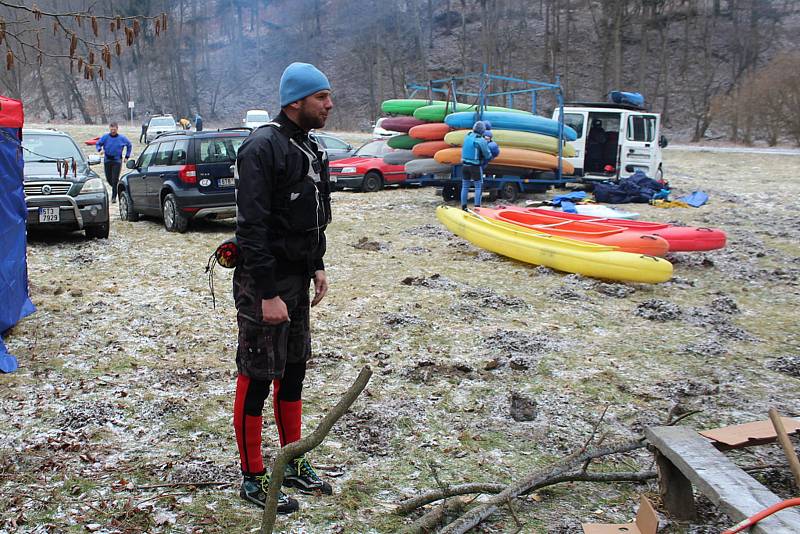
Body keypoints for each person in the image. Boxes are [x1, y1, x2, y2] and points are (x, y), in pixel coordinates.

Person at [233, 62, 334, 514]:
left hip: (297, 276)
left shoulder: (310, 147)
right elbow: (251, 227)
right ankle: (252, 476)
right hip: (264, 281)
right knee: (257, 375)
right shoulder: (261, 148)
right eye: (321, 97)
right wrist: (268, 292)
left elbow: (314, 213)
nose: (329, 105)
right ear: (296, 101)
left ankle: (291, 460)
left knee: (294, 370)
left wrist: (317, 265)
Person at [95, 122, 132, 203]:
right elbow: (98, 143)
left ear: (117, 129)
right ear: (109, 129)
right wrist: (99, 149)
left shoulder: (122, 138)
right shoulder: (105, 137)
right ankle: (120, 188)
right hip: (107, 160)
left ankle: (114, 197)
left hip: (117, 160)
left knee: (115, 179)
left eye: (114, 129)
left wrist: (127, 156)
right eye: (111, 129)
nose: (113, 131)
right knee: (109, 179)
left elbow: (129, 145)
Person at [460, 120, 491, 210]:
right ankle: (477, 207)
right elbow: (487, 154)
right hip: (475, 166)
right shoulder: (480, 140)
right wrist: (487, 143)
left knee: (465, 186)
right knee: (478, 186)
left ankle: (464, 206)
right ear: (482, 131)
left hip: (464, 165)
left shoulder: (467, 136)